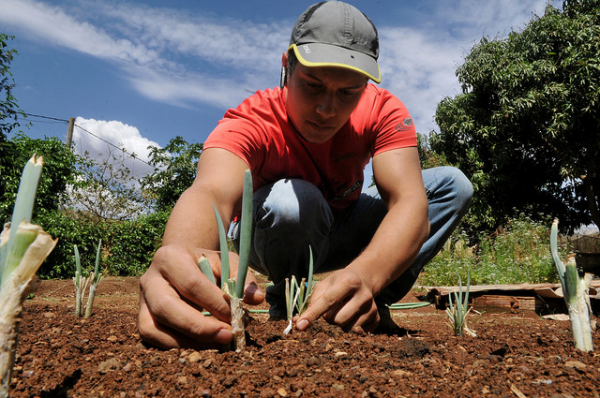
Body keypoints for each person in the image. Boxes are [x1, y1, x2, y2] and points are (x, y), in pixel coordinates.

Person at [138, 1, 473, 349]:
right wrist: (180, 257)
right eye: (312, 85)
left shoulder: (382, 110)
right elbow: (210, 192)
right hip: (268, 232)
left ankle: (360, 301)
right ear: (287, 68)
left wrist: (366, 276)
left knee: (452, 186)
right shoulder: (253, 119)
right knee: (293, 201)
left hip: (341, 224)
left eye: (348, 92)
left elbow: (410, 203)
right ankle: (288, 302)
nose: (327, 109)